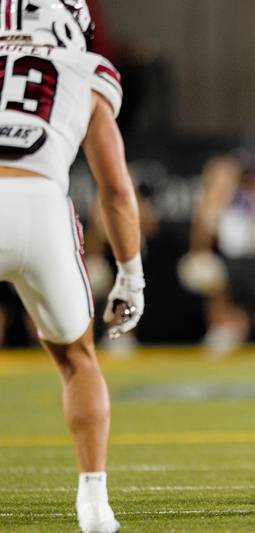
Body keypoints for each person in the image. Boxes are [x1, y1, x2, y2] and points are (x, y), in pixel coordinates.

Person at [0, 2, 144, 532]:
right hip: (40, 203)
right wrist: (131, 275)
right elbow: (116, 188)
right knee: (77, 359)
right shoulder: (84, 69)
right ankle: (94, 504)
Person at [180, 152, 255, 353]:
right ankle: (230, 343)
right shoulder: (223, 195)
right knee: (233, 305)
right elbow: (207, 222)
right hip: (232, 257)